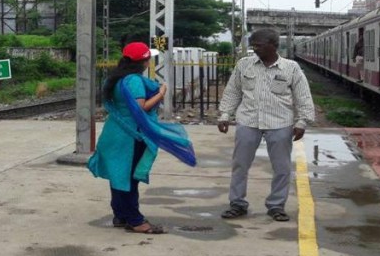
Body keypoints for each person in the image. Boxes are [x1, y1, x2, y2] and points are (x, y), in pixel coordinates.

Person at [87, 42, 197, 234]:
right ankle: (136, 221)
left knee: (118, 175)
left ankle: (120, 215)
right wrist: (161, 93)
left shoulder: (115, 78)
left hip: (114, 132)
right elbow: (140, 108)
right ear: (145, 62)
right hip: (130, 136)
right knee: (130, 178)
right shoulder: (134, 81)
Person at [217, 28, 314, 222]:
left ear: (273, 45)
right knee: (240, 165)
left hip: (280, 123)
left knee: (282, 167)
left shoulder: (291, 68)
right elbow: (233, 91)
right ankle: (237, 204)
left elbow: (303, 96)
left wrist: (302, 121)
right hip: (248, 121)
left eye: (258, 45)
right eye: (253, 45)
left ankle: (276, 206)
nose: (254, 49)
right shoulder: (244, 65)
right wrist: (225, 114)